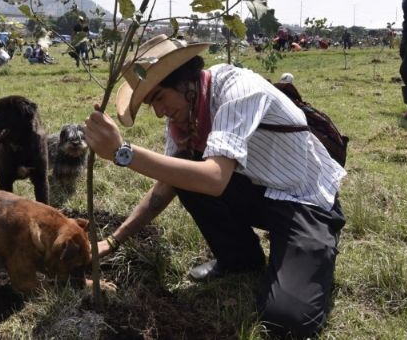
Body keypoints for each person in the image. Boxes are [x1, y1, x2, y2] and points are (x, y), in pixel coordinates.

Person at [83, 34, 346, 337]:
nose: (158, 112)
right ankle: (241, 260)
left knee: (286, 320)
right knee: (183, 175)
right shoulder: (186, 116)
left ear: (184, 81)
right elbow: (166, 185)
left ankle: (313, 246)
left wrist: (123, 154)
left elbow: (215, 179)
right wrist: (113, 241)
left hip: (303, 199)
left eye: (158, 98)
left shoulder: (238, 90)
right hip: (260, 189)